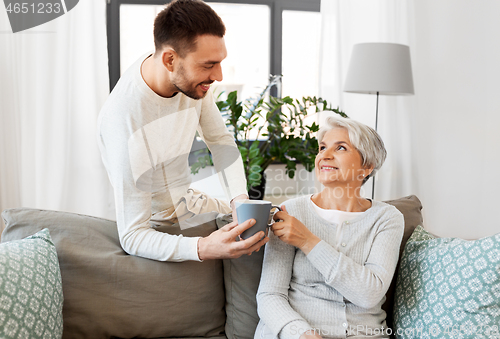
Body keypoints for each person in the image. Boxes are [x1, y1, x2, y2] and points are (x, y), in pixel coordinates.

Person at [97, 0, 267, 262]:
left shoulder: (189, 78)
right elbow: (133, 235)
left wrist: (239, 200)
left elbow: (219, 139)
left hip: (189, 204)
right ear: (169, 60)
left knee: (267, 231)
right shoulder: (125, 119)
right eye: (209, 65)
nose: (219, 75)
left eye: (220, 62)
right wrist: (203, 248)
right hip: (156, 229)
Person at [255, 116, 404, 339]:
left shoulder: (386, 218)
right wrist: (301, 333)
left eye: (340, 148)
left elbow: (370, 294)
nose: (324, 155)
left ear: (366, 167)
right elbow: (269, 295)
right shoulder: (291, 212)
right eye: (322, 147)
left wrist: (307, 241)